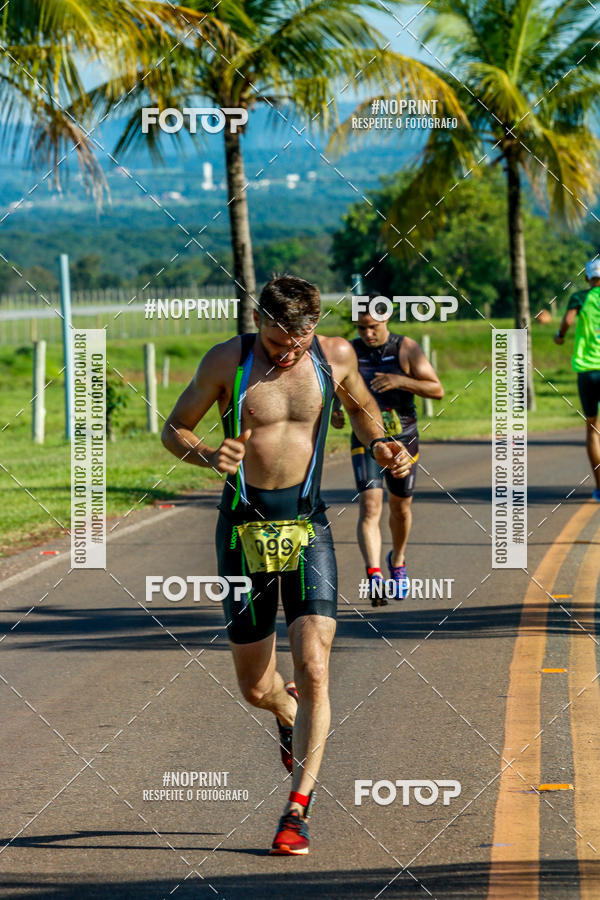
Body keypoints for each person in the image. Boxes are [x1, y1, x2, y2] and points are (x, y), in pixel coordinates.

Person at [162, 276, 410, 855]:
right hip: (241, 532)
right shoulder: (228, 360)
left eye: (298, 342)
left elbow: (364, 410)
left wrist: (380, 444)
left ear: (314, 326)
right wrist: (207, 453)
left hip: (307, 528)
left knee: (316, 666)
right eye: (276, 343)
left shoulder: (335, 356)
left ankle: (297, 810)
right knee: (255, 687)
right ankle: (285, 709)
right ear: (259, 322)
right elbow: (174, 429)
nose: (288, 354)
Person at [331, 300, 443, 605]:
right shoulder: (349, 352)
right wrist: (335, 411)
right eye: (361, 328)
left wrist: (400, 380)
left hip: (404, 438)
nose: (367, 333)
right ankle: (375, 575)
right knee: (370, 506)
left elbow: (437, 389)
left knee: (400, 508)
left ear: (386, 320)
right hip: (366, 439)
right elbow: (337, 386)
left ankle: (398, 560)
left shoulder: (405, 348)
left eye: (373, 327)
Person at [554, 258, 600, 501]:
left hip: (588, 370)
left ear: (587, 278)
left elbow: (568, 321)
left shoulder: (580, 298)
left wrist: (560, 335)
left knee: (593, 428)